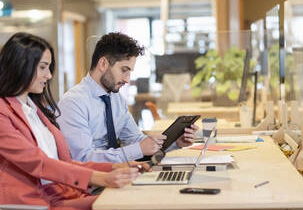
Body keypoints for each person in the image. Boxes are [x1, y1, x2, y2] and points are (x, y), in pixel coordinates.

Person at [0, 32, 148, 210]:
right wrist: (102, 178)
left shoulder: (33, 109)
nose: (49, 75)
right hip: (41, 203)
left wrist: (118, 166)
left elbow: (64, 161)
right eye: (43, 67)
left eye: (49, 67)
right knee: (131, 203)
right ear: (20, 66)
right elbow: (39, 163)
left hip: (63, 194)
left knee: (137, 199)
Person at [57, 32, 198, 163]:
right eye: (124, 70)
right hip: (92, 185)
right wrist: (138, 149)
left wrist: (174, 143)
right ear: (103, 64)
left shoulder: (115, 98)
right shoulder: (73, 103)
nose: (127, 79)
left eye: (130, 72)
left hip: (119, 175)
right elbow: (83, 159)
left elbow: (135, 140)